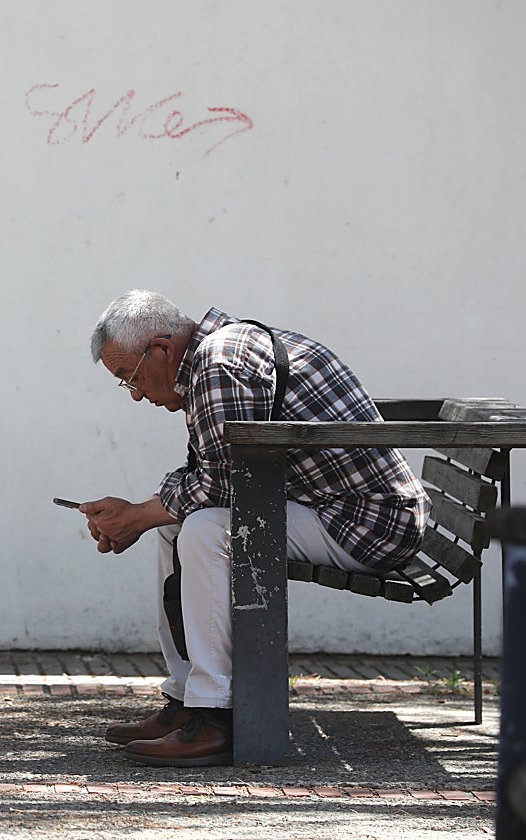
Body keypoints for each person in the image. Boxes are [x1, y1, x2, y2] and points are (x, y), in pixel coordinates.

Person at [81, 290, 429, 767]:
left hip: (367, 524)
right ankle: (188, 700)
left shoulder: (220, 365)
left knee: (205, 529)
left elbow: (226, 486)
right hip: (336, 510)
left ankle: (215, 715)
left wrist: (139, 515)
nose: (137, 393)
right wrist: (142, 514)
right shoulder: (218, 354)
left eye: (130, 376)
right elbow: (213, 469)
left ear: (161, 349)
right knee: (175, 528)